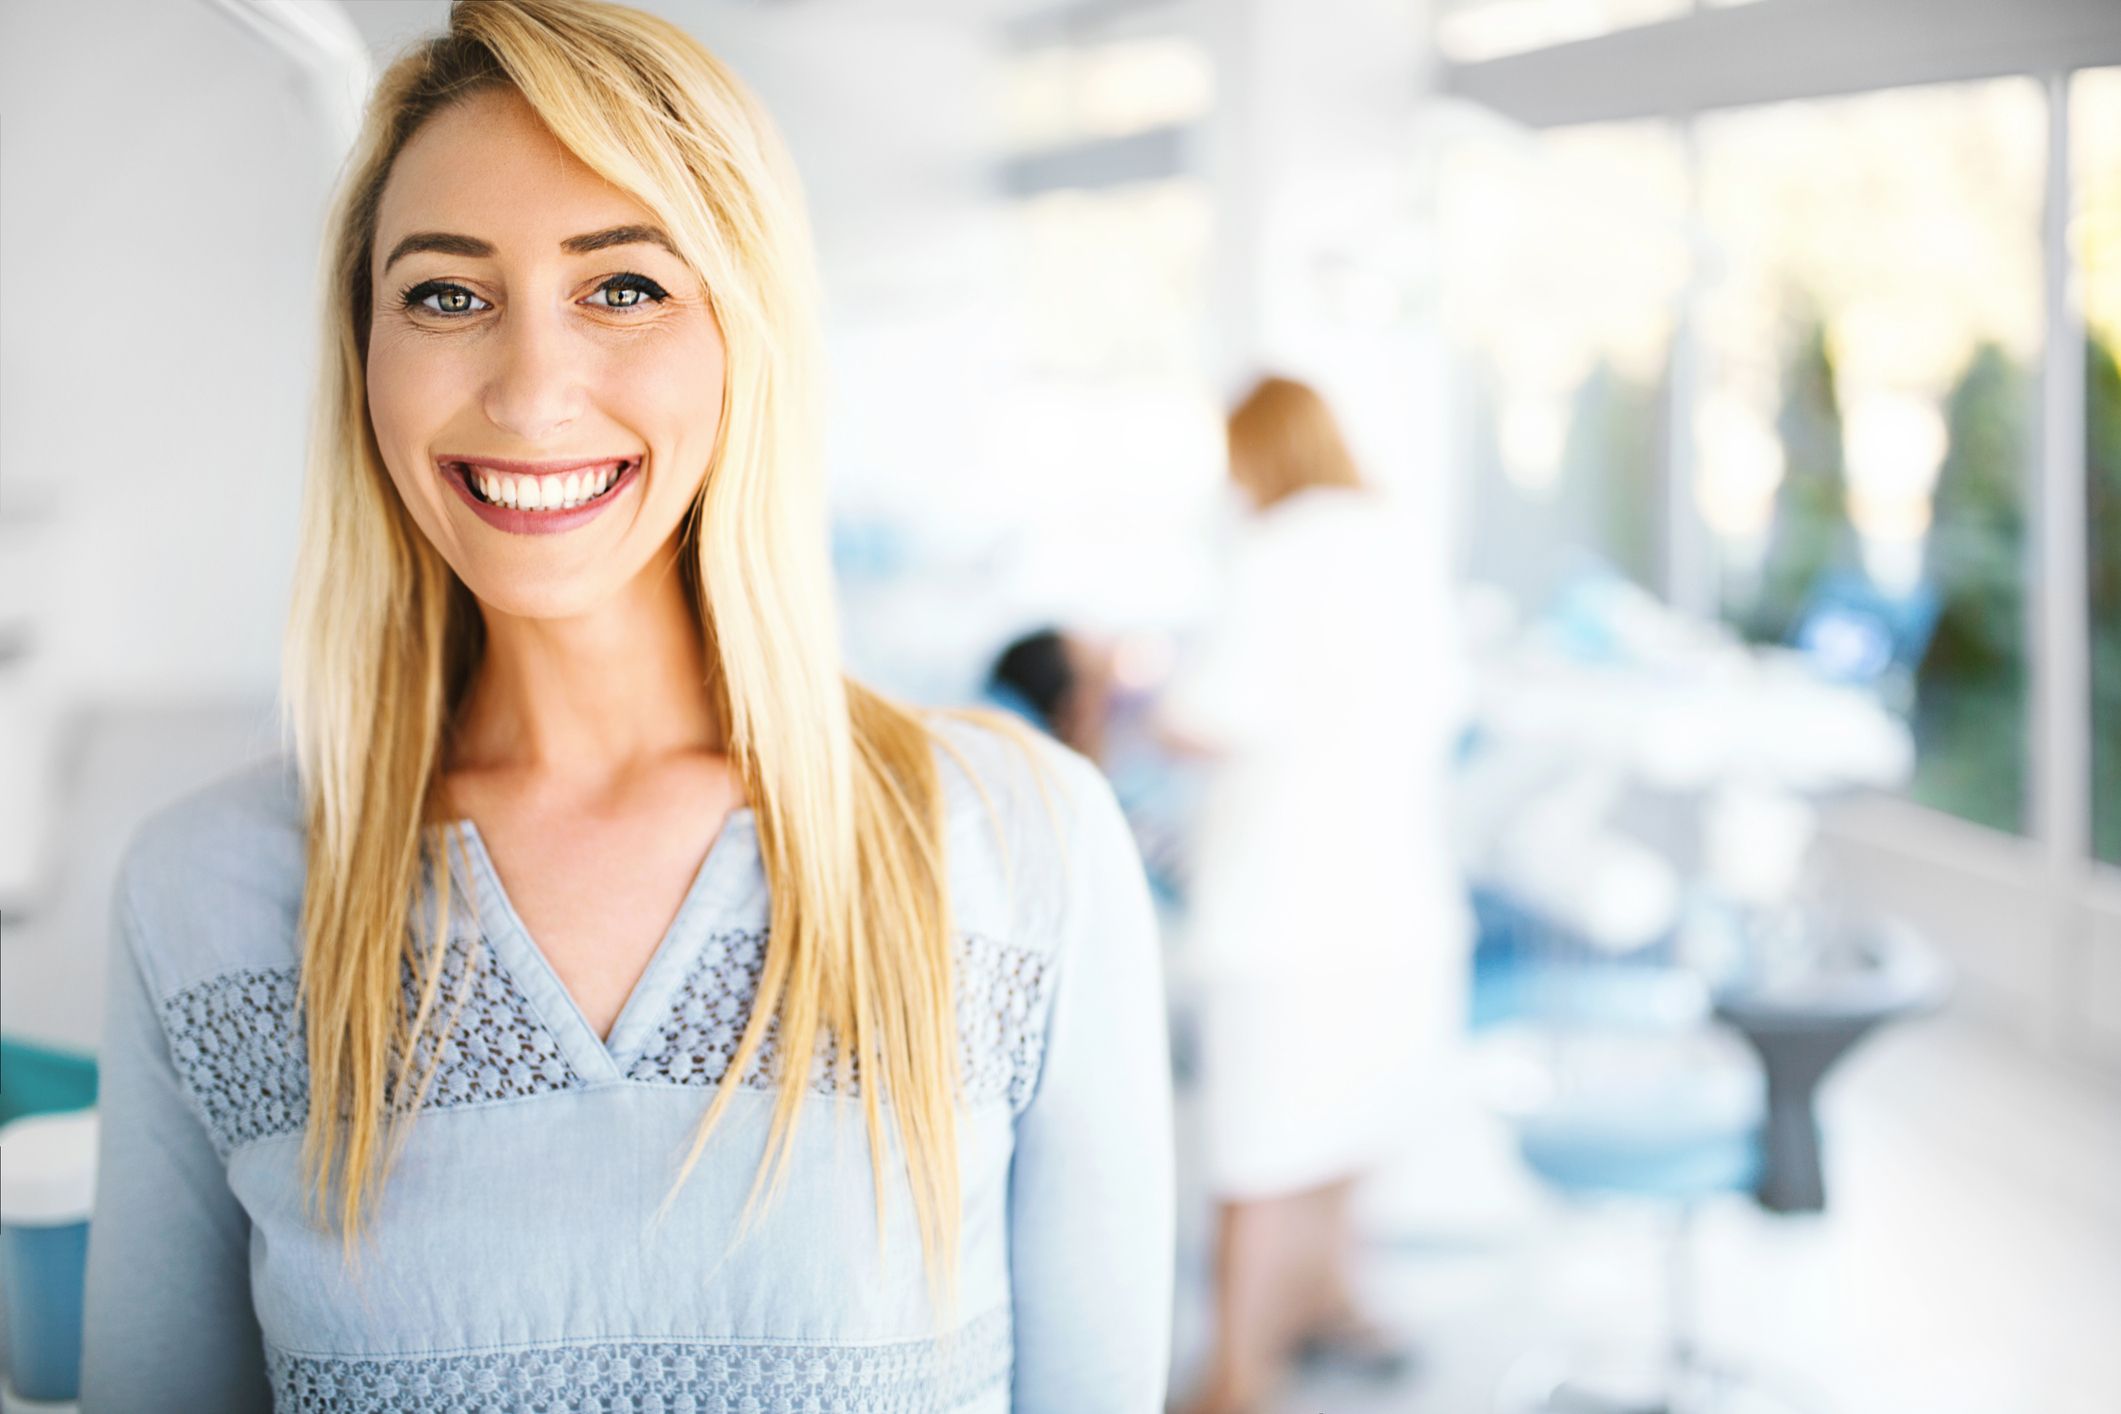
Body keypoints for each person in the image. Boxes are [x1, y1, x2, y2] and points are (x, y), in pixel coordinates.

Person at [76, 3, 1173, 1409]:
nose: (532, 393)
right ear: (364, 356)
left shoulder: (1025, 850)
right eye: (446, 294)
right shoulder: (204, 891)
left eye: (626, 287)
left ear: (746, 331)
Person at [1158, 376, 1471, 1414]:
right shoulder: (1396, 537)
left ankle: (1235, 1378)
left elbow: (1207, 714)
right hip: (1397, 895)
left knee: (1254, 1149)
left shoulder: (1275, 549)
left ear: (1260, 452)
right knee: (1349, 1118)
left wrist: (1144, 695)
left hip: (1283, 910)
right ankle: (1332, 1302)